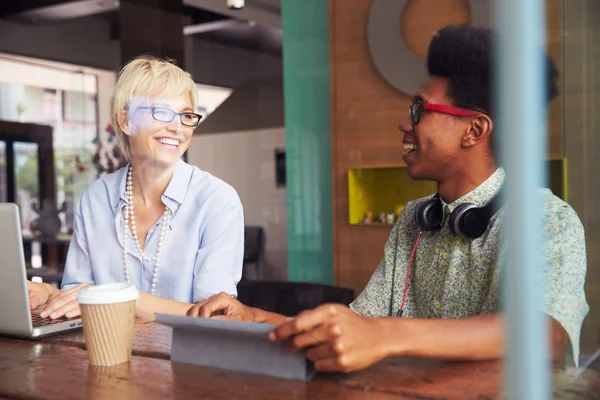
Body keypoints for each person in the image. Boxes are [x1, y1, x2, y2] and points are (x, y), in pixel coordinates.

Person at [186, 25, 589, 372]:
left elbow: (544, 334)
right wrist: (252, 317)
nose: (404, 122)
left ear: (474, 130)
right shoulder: (416, 218)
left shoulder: (545, 219)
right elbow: (360, 325)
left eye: (419, 110)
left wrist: (387, 335)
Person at [28, 56, 244, 321]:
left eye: (186, 115)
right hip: (104, 350)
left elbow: (215, 316)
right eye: (162, 112)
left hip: (184, 357)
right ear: (126, 120)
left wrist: (119, 299)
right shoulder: (96, 199)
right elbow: (80, 295)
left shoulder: (217, 201)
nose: (177, 127)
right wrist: (49, 293)